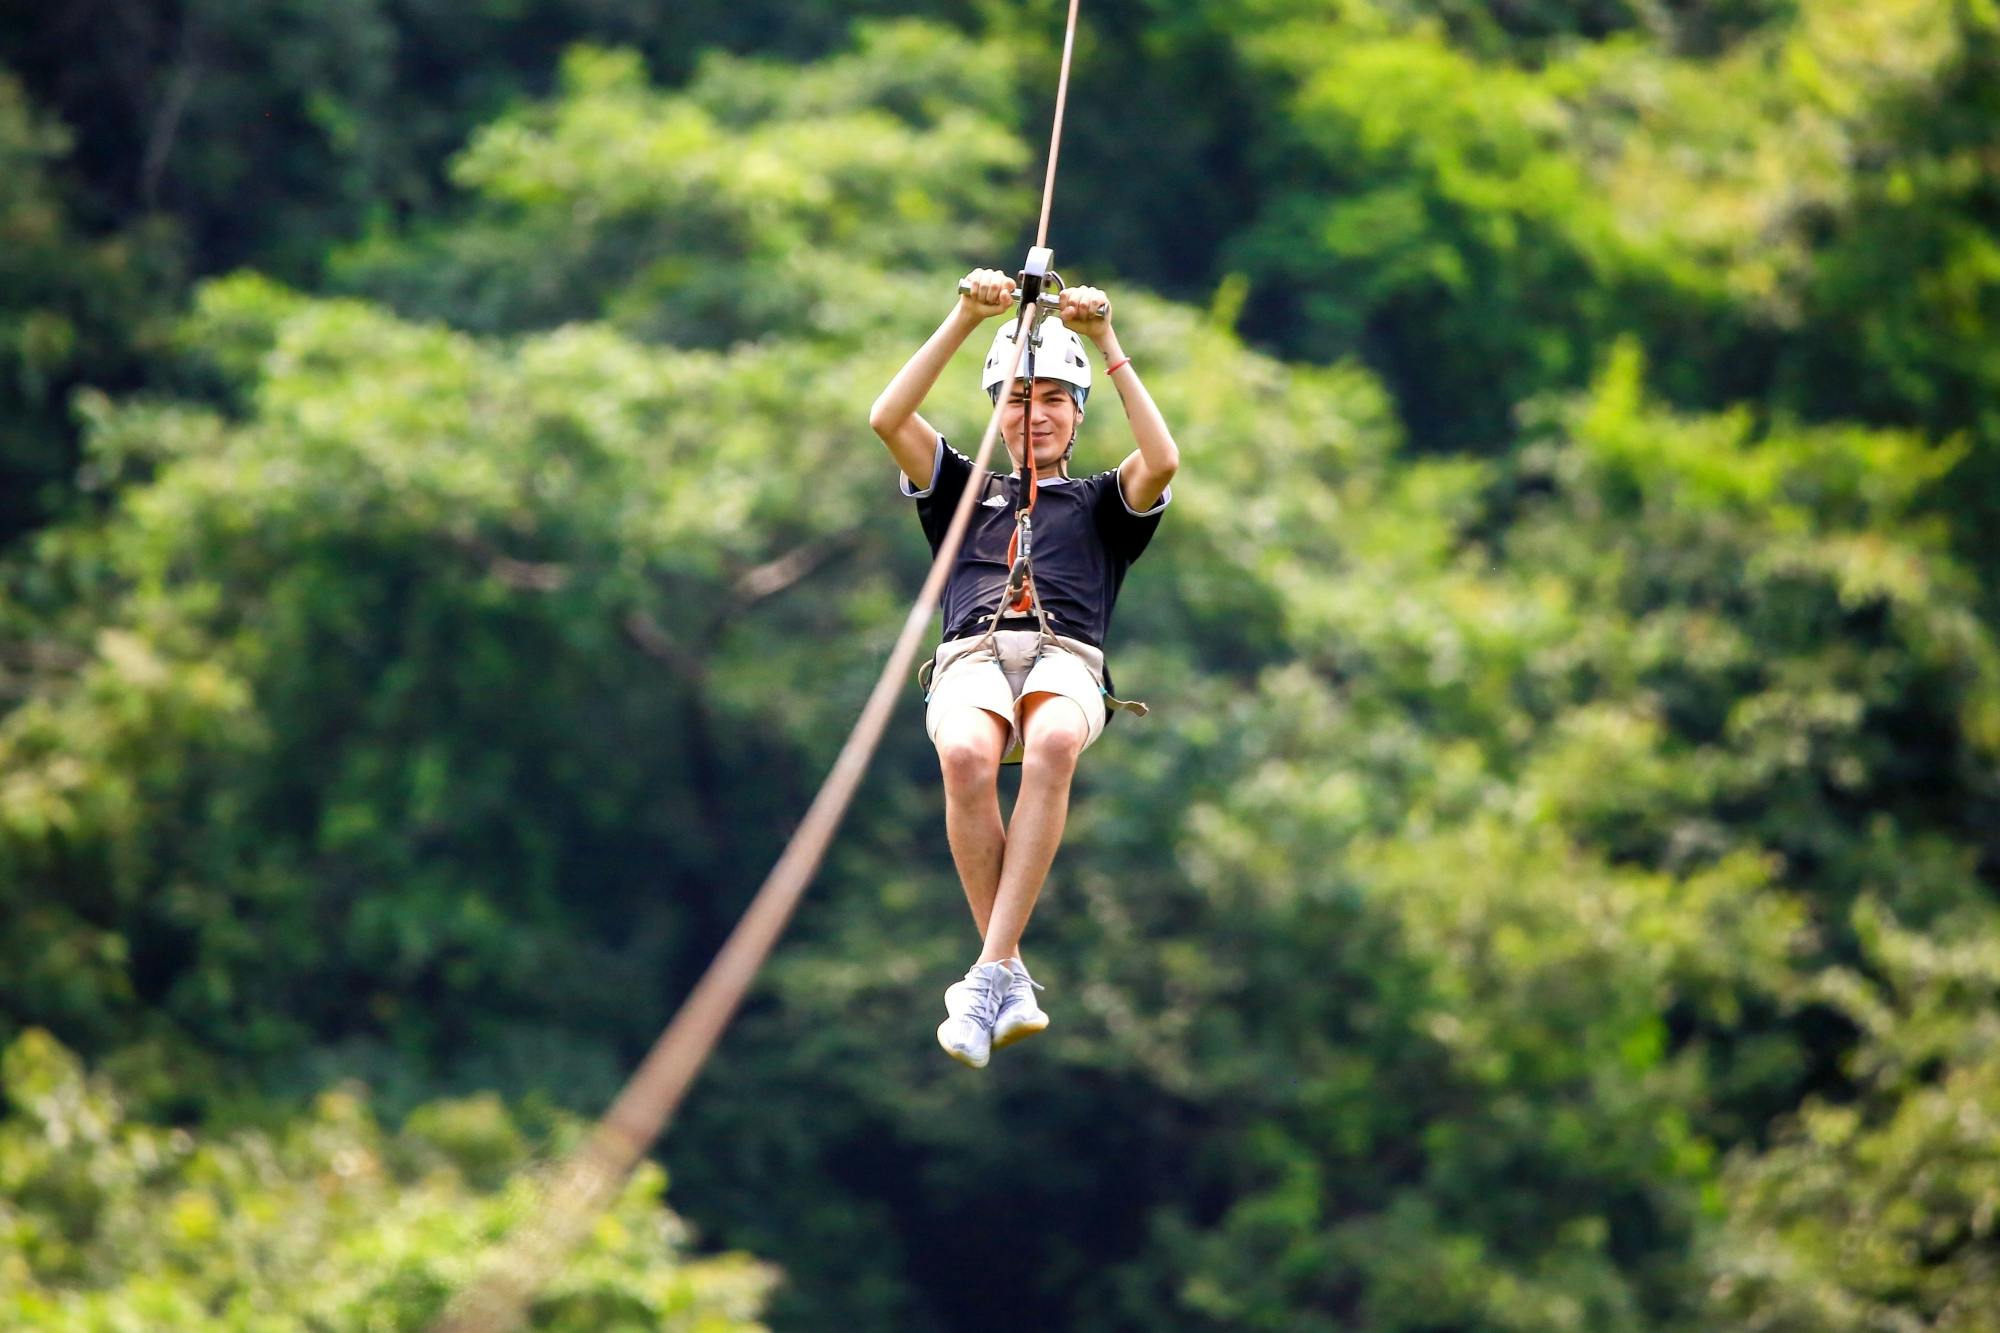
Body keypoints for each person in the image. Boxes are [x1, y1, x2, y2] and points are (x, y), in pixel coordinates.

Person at [868, 268, 1180, 1068]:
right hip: (971, 655)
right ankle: (1002, 968)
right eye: (1017, 398)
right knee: (968, 755)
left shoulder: (1104, 501)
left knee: (1049, 747)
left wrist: (1107, 341)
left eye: (1052, 401)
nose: (1033, 415)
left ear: (1076, 416)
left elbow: (1163, 457)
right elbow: (887, 416)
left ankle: (986, 974)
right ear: (998, 410)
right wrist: (967, 317)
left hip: (1066, 662)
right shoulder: (960, 489)